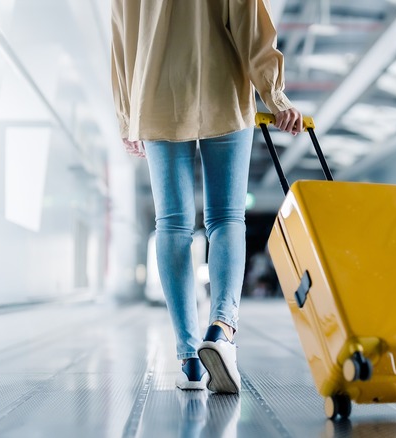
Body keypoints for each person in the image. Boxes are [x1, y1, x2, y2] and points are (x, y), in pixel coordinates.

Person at [110, 0, 302, 394]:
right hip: (223, 87)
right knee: (227, 218)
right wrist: (275, 95)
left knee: (173, 223)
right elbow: (250, 22)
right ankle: (223, 328)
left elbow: (121, 37)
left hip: (155, 92)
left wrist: (127, 115)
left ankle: (189, 361)